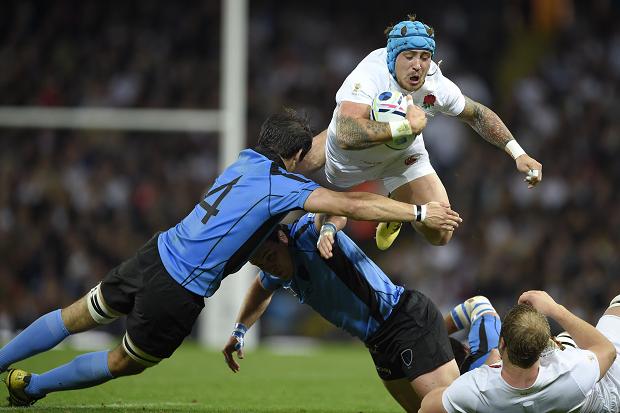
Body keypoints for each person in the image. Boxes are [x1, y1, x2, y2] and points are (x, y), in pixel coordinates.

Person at [0, 109, 462, 407]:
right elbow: (351, 206)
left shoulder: (242, 160)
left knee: (75, 314)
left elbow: (303, 239)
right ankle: (32, 388)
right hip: (177, 291)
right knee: (124, 362)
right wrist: (418, 211)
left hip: (154, 254)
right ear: (297, 156)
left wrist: (240, 327)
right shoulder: (284, 187)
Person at [301, 14, 542, 251]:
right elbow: (346, 133)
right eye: (409, 56)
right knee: (300, 161)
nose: (418, 65)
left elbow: (477, 114)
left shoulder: (433, 83)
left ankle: (398, 206)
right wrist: (407, 127)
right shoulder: (370, 74)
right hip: (350, 163)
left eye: (425, 57)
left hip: (401, 156)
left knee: (442, 233)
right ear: (392, 57)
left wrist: (518, 153)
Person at [221, 212, 459, 412]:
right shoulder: (277, 267)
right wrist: (239, 330)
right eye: (261, 264)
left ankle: (483, 354)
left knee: (443, 406)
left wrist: (328, 229)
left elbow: (337, 210)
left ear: (282, 238)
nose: (269, 266)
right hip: (378, 342)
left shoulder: (306, 233)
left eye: (270, 257)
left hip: (403, 318)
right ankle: (474, 362)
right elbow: (261, 287)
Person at [419, 290, 620, 413]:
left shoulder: (475, 389)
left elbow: (427, 406)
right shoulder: (572, 371)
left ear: (502, 344)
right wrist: (555, 308)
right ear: (544, 348)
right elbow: (607, 351)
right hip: (607, 392)